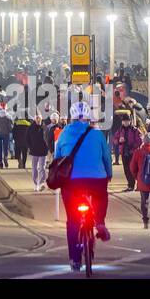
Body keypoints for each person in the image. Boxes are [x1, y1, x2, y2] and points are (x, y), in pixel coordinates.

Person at [51, 102, 112, 272]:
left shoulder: (64, 134)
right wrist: (108, 174)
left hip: (71, 182)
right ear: (88, 117)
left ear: (71, 117)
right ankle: (99, 222)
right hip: (96, 179)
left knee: (72, 221)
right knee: (101, 197)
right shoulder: (97, 134)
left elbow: (57, 158)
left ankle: (75, 260)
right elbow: (106, 156)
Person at [28, 115, 50, 191]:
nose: (38, 120)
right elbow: (27, 138)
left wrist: (47, 147)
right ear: (34, 120)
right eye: (37, 119)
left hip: (43, 151)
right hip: (34, 151)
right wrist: (30, 147)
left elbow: (48, 138)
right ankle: (35, 183)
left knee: (42, 168)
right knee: (34, 168)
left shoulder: (45, 128)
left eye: (39, 119)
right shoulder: (30, 128)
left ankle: (40, 183)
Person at [0, 103, 13, 168]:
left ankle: (0, 162)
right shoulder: (8, 116)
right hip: (6, 134)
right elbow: (10, 127)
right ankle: (6, 157)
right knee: (6, 147)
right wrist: (10, 130)